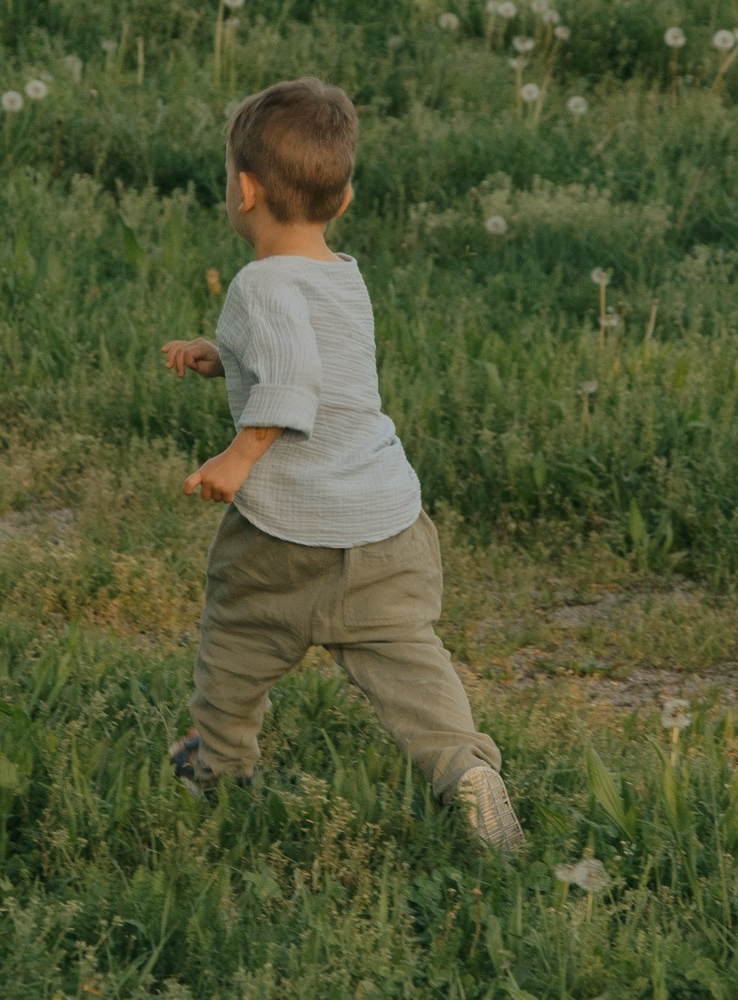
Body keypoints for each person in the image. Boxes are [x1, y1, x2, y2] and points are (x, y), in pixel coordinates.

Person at [161, 77, 524, 851]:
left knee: (233, 643)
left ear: (246, 189)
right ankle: (466, 770)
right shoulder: (342, 275)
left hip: (285, 539)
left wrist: (239, 451)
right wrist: (223, 357)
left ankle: (216, 768)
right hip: (387, 526)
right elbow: (311, 363)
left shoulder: (260, 284)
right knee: (412, 671)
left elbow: (291, 383)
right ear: (345, 199)